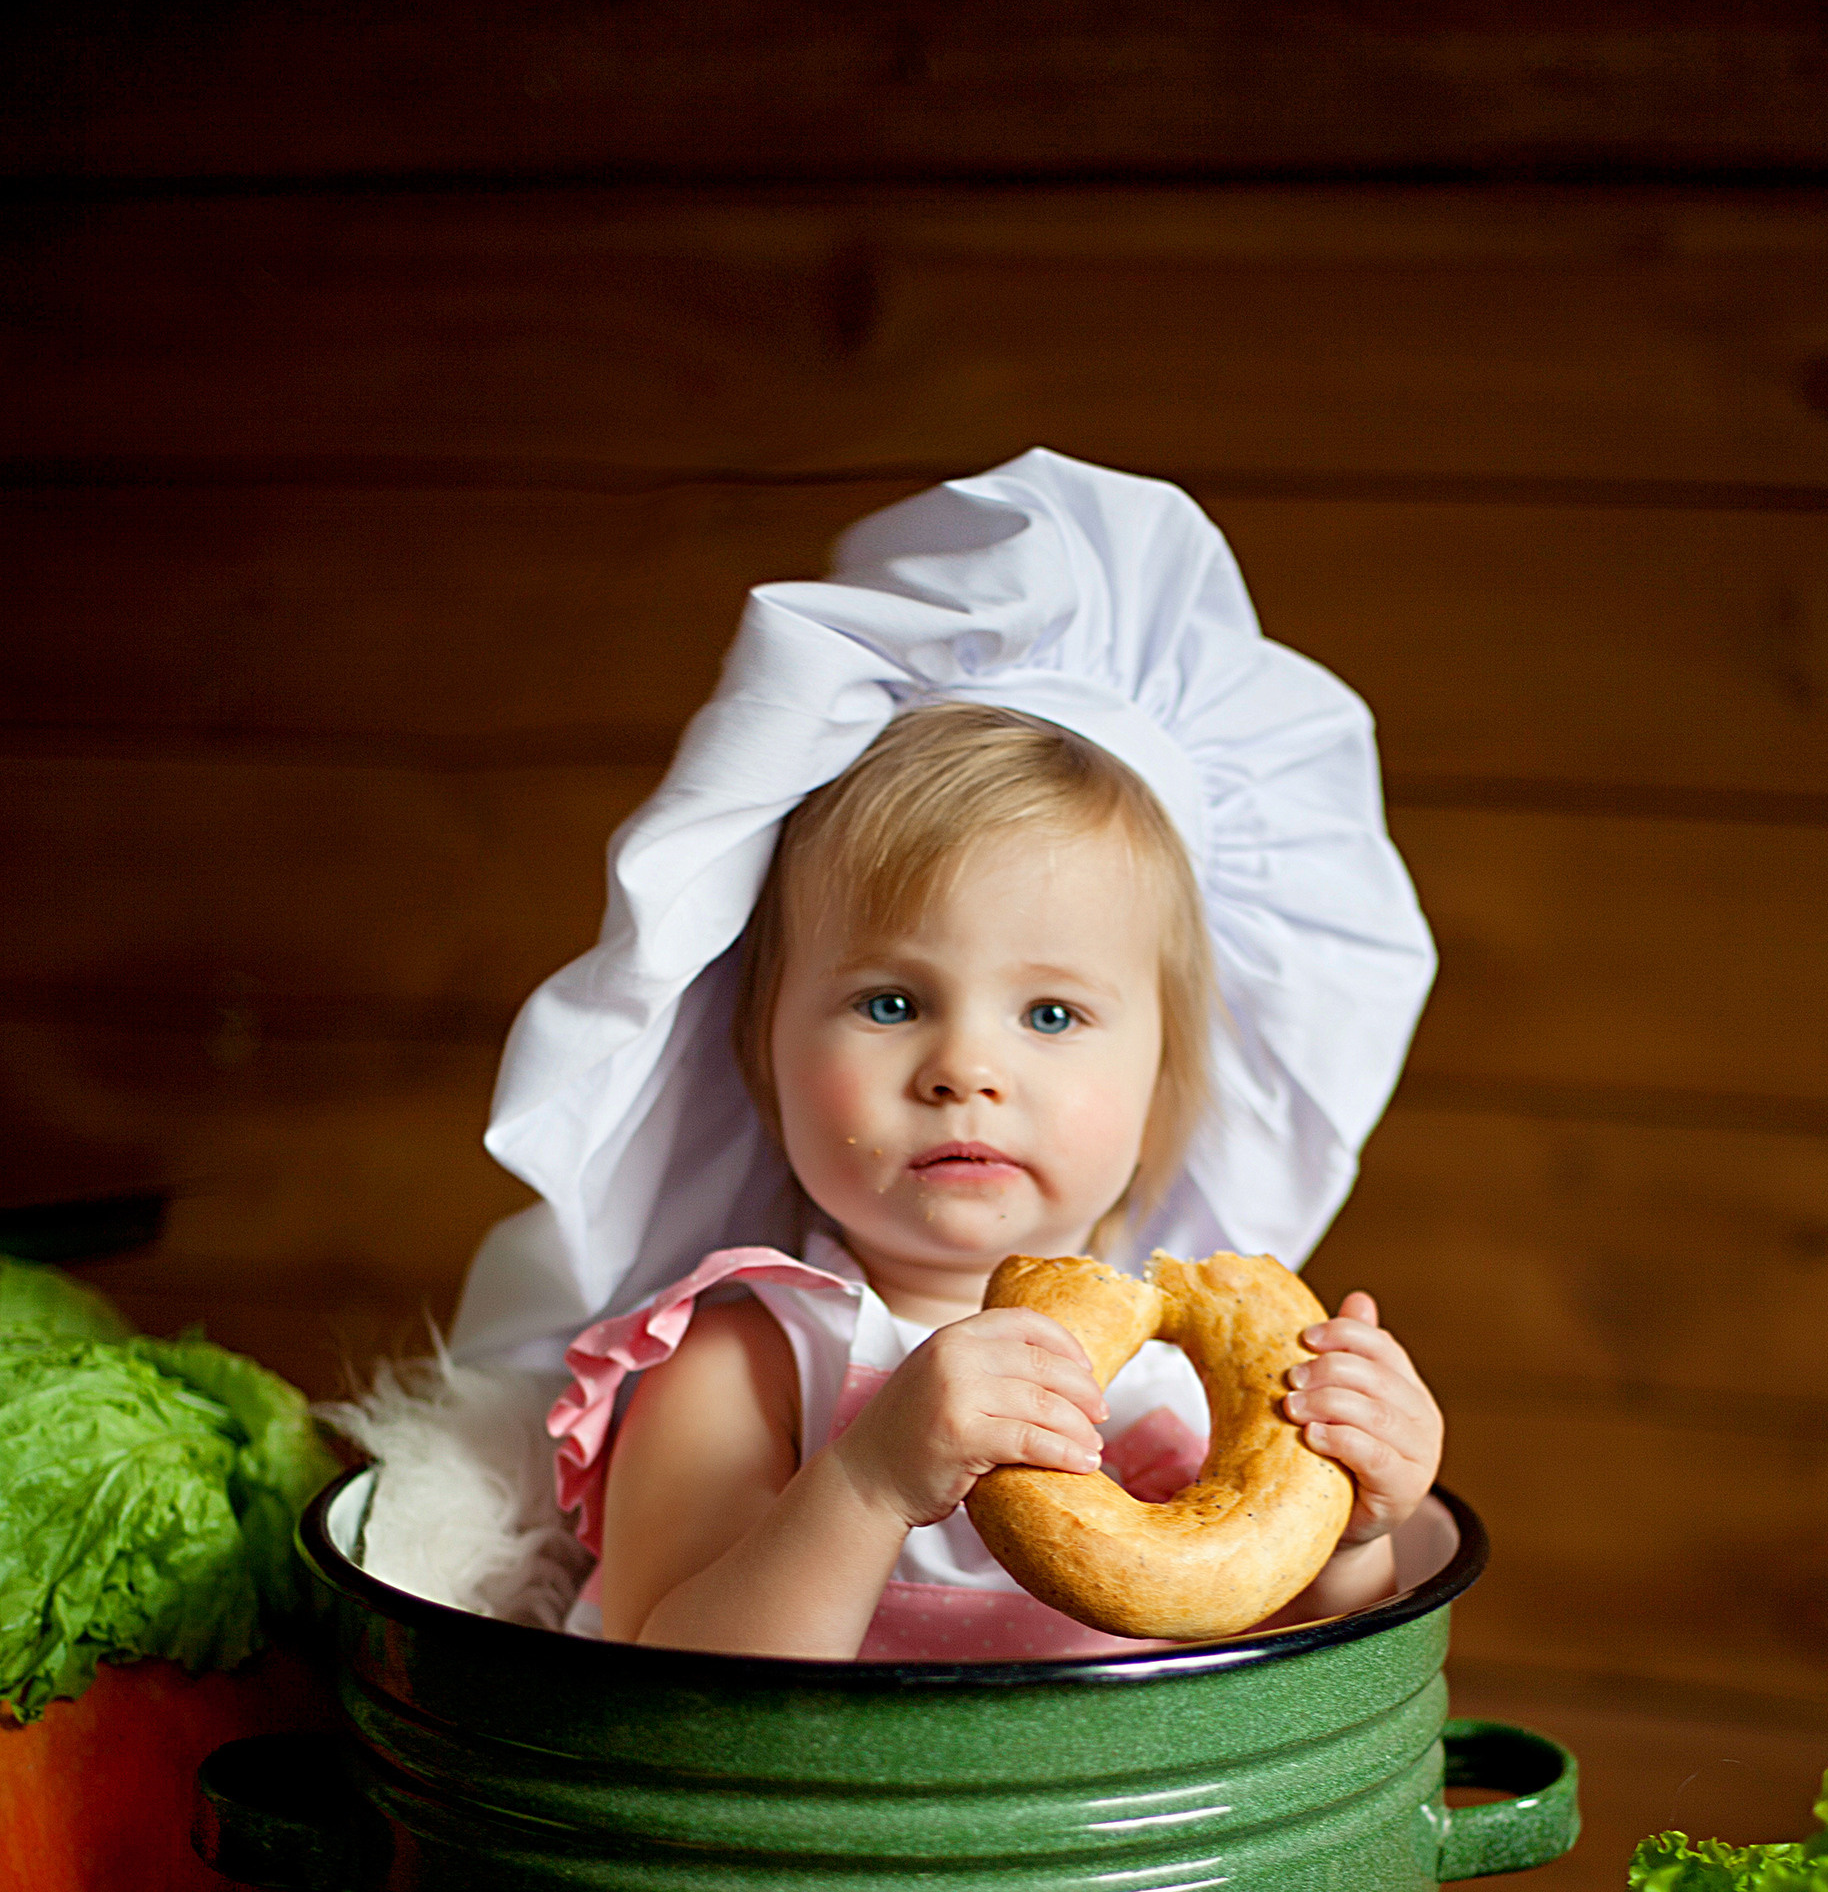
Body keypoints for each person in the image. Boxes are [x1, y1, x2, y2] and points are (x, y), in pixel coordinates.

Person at [449, 451, 1445, 1662]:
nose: (963, 1067)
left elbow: (1281, 1691)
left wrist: (1351, 1538)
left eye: (1050, 1017)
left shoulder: (1201, 1390)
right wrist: (868, 1480)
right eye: (887, 1002)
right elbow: (677, 1679)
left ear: (1164, 1079)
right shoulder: (749, 1358)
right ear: (760, 1052)